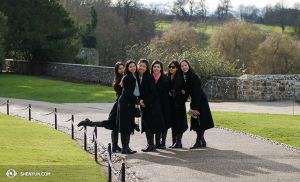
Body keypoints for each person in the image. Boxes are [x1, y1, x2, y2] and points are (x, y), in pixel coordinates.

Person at [77, 62, 136, 153]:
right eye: (119, 68)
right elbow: (124, 94)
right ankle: (89, 123)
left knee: (114, 125)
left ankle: (115, 145)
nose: (122, 70)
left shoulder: (123, 78)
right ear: (116, 70)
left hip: (120, 104)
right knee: (112, 124)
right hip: (119, 106)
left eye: (122, 68)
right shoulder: (121, 80)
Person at [179, 60, 214, 149]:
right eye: (182, 66)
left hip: (200, 101)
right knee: (194, 120)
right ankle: (202, 140)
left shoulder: (194, 77)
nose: (184, 67)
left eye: (185, 65)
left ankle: (198, 141)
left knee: (200, 121)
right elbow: (188, 91)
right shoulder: (186, 77)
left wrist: (195, 108)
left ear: (188, 65)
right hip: (193, 101)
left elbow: (197, 93)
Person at [138, 59, 166, 152]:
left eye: (144, 66)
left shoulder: (149, 77)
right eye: (140, 65)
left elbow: (154, 92)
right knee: (146, 124)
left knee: (149, 125)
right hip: (144, 104)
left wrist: (145, 102)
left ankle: (151, 144)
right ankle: (150, 144)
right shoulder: (138, 77)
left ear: (146, 68)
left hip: (151, 105)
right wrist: (140, 100)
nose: (141, 68)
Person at [117, 60, 140, 154]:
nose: (133, 68)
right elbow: (128, 93)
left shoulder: (134, 76)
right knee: (125, 125)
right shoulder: (127, 78)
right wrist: (138, 101)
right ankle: (124, 147)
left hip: (130, 103)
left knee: (129, 124)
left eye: (134, 66)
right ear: (127, 68)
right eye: (130, 67)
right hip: (125, 103)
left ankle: (127, 146)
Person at [166, 60, 188, 148]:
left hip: (179, 103)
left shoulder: (181, 77)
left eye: (173, 67)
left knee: (179, 122)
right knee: (173, 122)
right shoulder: (168, 76)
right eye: (170, 66)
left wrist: (178, 93)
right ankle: (173, 140)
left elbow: (185, 91)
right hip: (171, 103)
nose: (171, 68)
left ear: (177, 68)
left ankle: (179, 141)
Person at [150, 60, 171, 149]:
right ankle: (157, 142)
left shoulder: (166, 78)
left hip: (164, 103)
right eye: (154, 66)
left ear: (161, 68)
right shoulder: (150, 78)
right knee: (156, 122)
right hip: (153, 103)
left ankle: (163, 142)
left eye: (158, 67)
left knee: (164, 123)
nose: (156, 68)